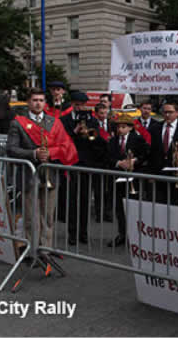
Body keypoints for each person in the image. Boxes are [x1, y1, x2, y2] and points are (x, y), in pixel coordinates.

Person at [6, 88, 77, 249]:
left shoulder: (54, 122)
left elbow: (65, 146)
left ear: (45, 103)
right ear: (28, 102)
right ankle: (33, 250)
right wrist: (34, 153)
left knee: (48, 216)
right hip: (29, 176)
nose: (38, 103)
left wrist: (50, 153)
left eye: (41, 100)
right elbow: (11, 149)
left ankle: (46, 250)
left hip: (50, 175)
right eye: (34, 100)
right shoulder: (18, 123)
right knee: (31, 217)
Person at [60, 92, 110, 245]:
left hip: (87, 163)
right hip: (71, 163)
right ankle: (72, 233)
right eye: (76, 104)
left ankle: (83, 233)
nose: (79, 106)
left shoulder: (92, 120)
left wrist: (88, 133)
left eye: (82, 104)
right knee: (73, 200)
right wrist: (74, 133)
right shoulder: (65, 120)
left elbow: (99, 141)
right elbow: (62, 139)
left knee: (85, 200)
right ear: (72, 104)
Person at [107, 113, 150, 247]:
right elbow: (108, 157)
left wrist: (134, 161)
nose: (120, 130)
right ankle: (122, 234)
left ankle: (135, 236)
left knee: (133, 208)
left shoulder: (137, 139)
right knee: (119, 208)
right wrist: (118, 163)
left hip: (133, 179)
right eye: (118, 127)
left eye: (123, 127)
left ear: (130, 128)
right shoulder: (113, 141)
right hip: (118, 178)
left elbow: (145, 154)